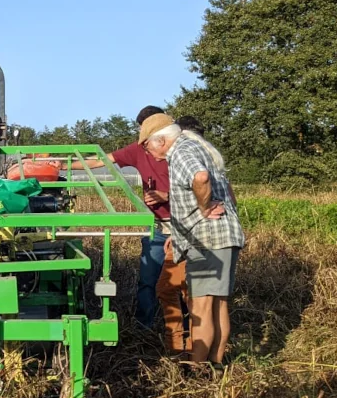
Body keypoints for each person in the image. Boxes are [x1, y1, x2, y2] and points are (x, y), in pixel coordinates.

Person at [140, 113, 244, 366]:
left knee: (201, 308)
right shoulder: (197, 146)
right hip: (221, 237)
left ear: (161, 140)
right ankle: (215, 366)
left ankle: (197, 368)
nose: (148, 152)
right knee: (218, 305)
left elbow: (200, 177)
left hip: (207, 239)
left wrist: (205, 207)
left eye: (147, 145)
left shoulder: (181, 151)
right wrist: (179, 235)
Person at [65, 105, 172, 331]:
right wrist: (63, 166)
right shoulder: (138, 150)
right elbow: (100, 161)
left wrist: (167, 195)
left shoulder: (181, 152)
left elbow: (201, 185)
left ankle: (182, 329)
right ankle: (145, 328)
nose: (143, 137)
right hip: (157, 226)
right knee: (148, 279)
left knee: (183, 282)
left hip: (185, 225)